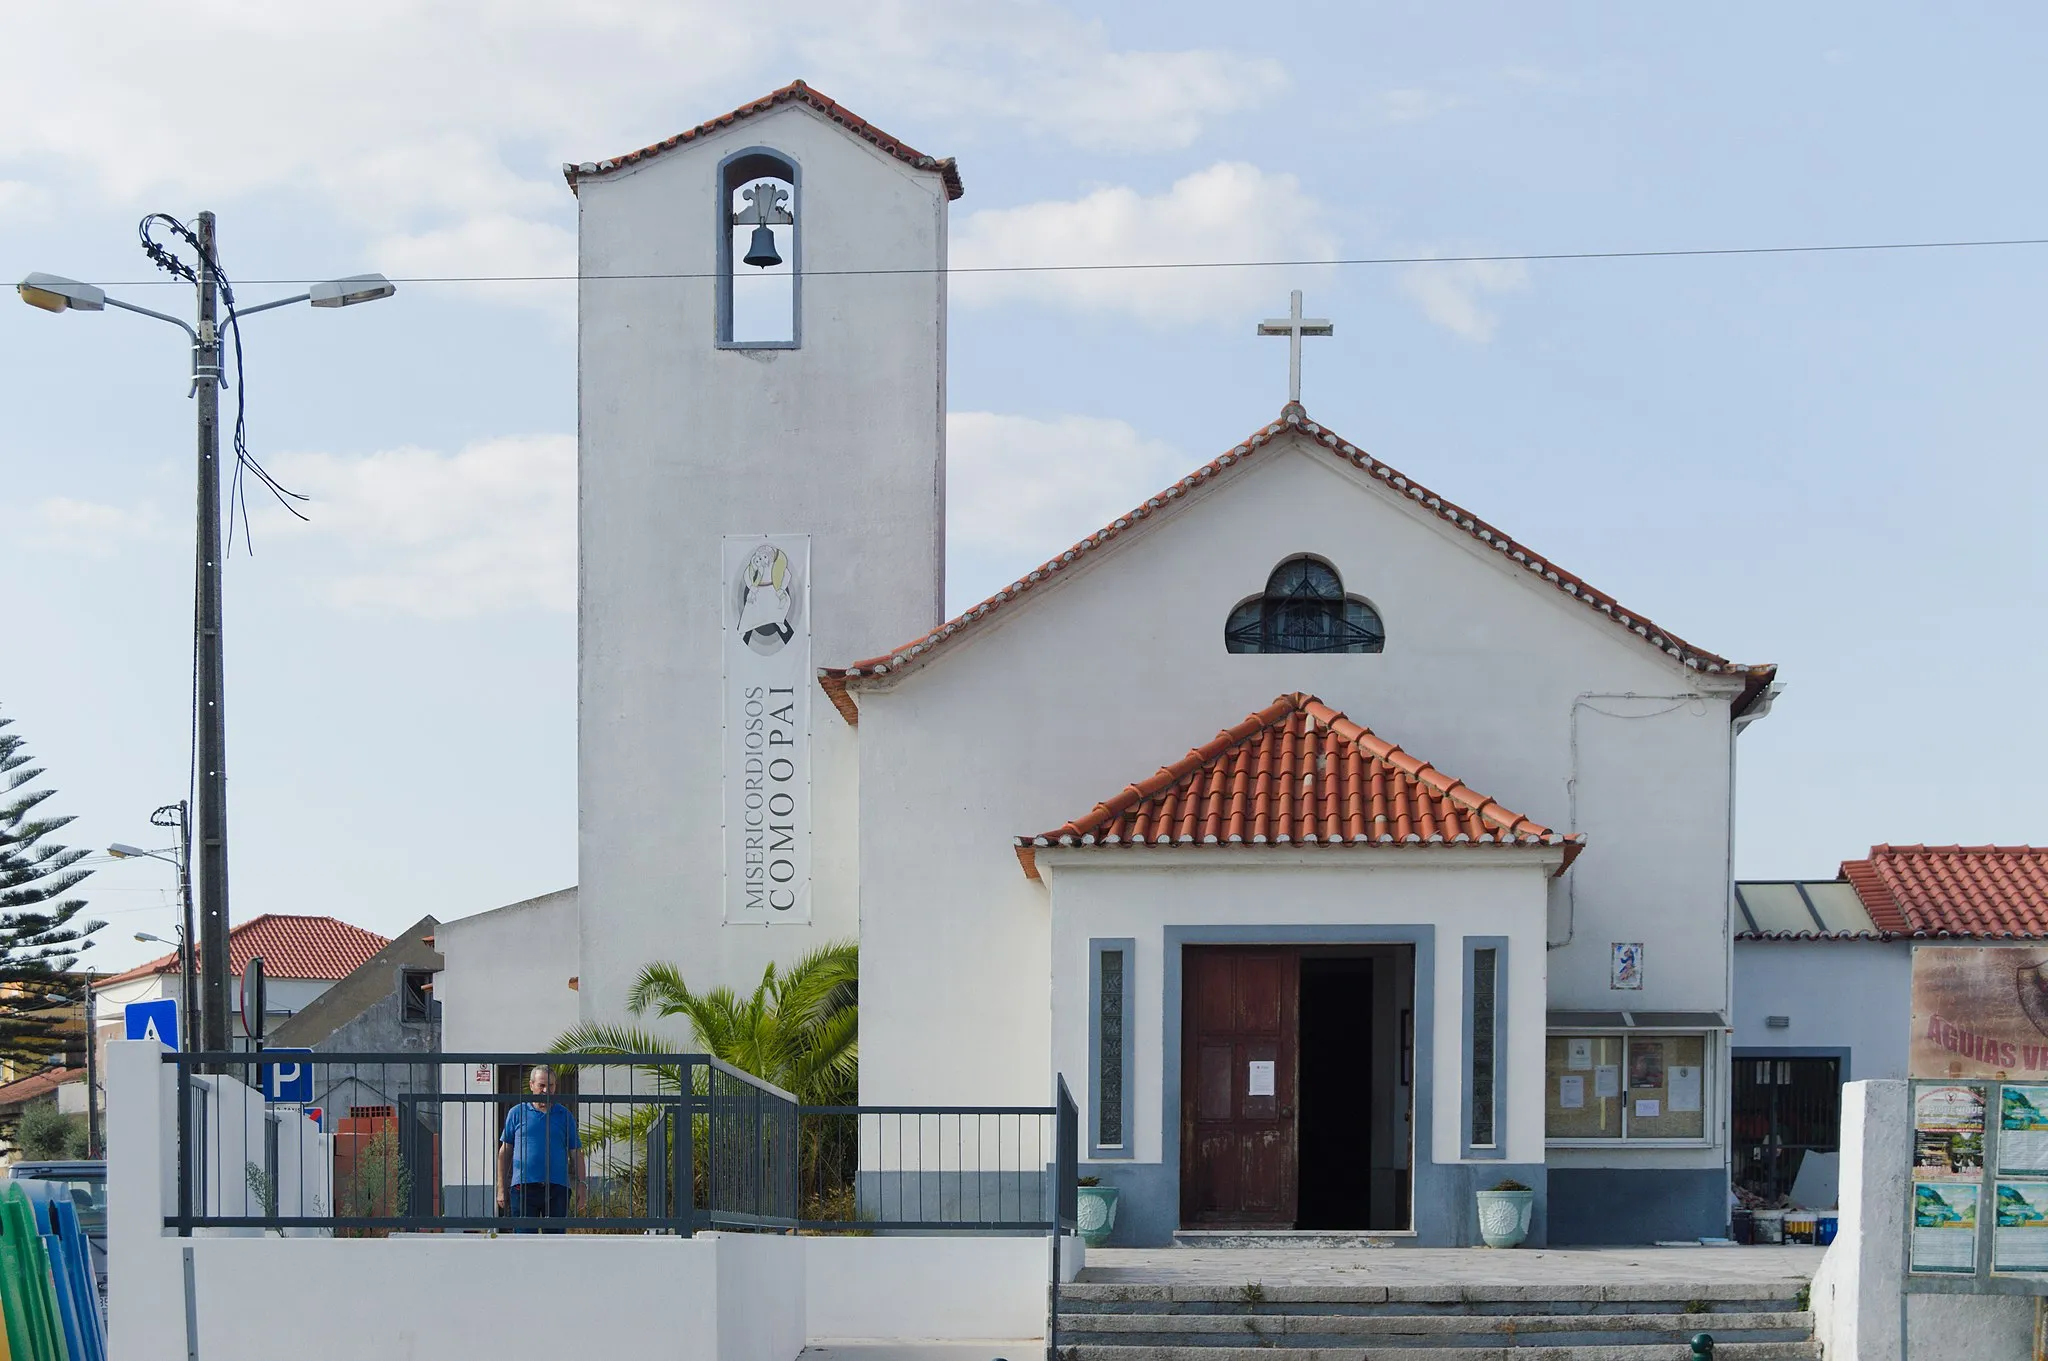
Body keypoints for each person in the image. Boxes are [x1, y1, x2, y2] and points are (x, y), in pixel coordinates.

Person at [497, 1064, 584, 1231]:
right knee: (524, 1243)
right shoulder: (517, 1113)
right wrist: (501, 1188)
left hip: (557, 1189)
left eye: (550, 1086)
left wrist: (582, 1186)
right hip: (523, 1188)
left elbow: (576, 1153)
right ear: (531, 1085)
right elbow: (505, 1152)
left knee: (555, 1244)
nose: (546, 1090)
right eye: (541, 1085)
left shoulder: (565, 1115)